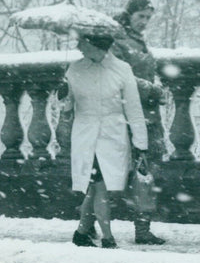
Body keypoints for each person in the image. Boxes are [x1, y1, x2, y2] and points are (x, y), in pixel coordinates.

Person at [62, 33, 148, 249]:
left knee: (95, 188)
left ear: (96, 44)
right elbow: (67, 109)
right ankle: (108, 238)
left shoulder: (122, 69)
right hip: (85, 135)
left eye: (82, 42)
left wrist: (141, 144)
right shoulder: (74, 69)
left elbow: (134, 110)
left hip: (112, 136)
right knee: (99, 186)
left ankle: (81, 233)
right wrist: (63, 96)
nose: (78, 46)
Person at [110, 0, 168, 245]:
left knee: (148, 171)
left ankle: (143, 227)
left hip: (148, 115)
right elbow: (119, 77)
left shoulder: (138, 41)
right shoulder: (118, 41)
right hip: (127, 115)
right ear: (129, 14)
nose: (144, 22)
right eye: (140, 16)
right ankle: (93, 223)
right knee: (117, 172)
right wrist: (152, 90)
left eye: (148, 17)